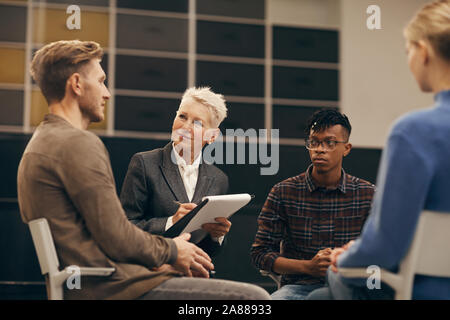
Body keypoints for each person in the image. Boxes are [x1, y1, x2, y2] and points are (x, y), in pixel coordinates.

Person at [17, 39, 270, 300]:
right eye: (101, 80)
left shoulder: (44, 140)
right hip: (112, 288)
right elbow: (117, 235)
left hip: (108, 278)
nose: (107, 93)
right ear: (77, 84)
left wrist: (169, 257)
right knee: (254, 300)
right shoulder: (78, 143)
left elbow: (105, 237)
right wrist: (172, 250)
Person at [307, 0, 450, 300]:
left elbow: (384, 247)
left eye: (408, 50)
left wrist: (343, 257)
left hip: (422, 291)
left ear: (423, 51)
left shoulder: (413, 132)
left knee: (332, 280)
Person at [250, 109, 376, 300]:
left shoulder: (368, 194)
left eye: (330, 143)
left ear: (347, 148)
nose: (320, 149)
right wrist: (308, 266)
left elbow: (378, 251)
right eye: (314, 142)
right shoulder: (284, 191)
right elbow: (260, 253)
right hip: (298, 286)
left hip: (350, 286)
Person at [120, 87, 231, 256]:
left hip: (196, 273)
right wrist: (171, 222)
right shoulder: (144, 164)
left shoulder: (219, 179)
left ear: (212, 136)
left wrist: (218, 236)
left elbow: (211, 251)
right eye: (182, 116)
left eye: (198, 123)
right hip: (155, 268)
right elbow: (124, 229)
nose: (185, 127)